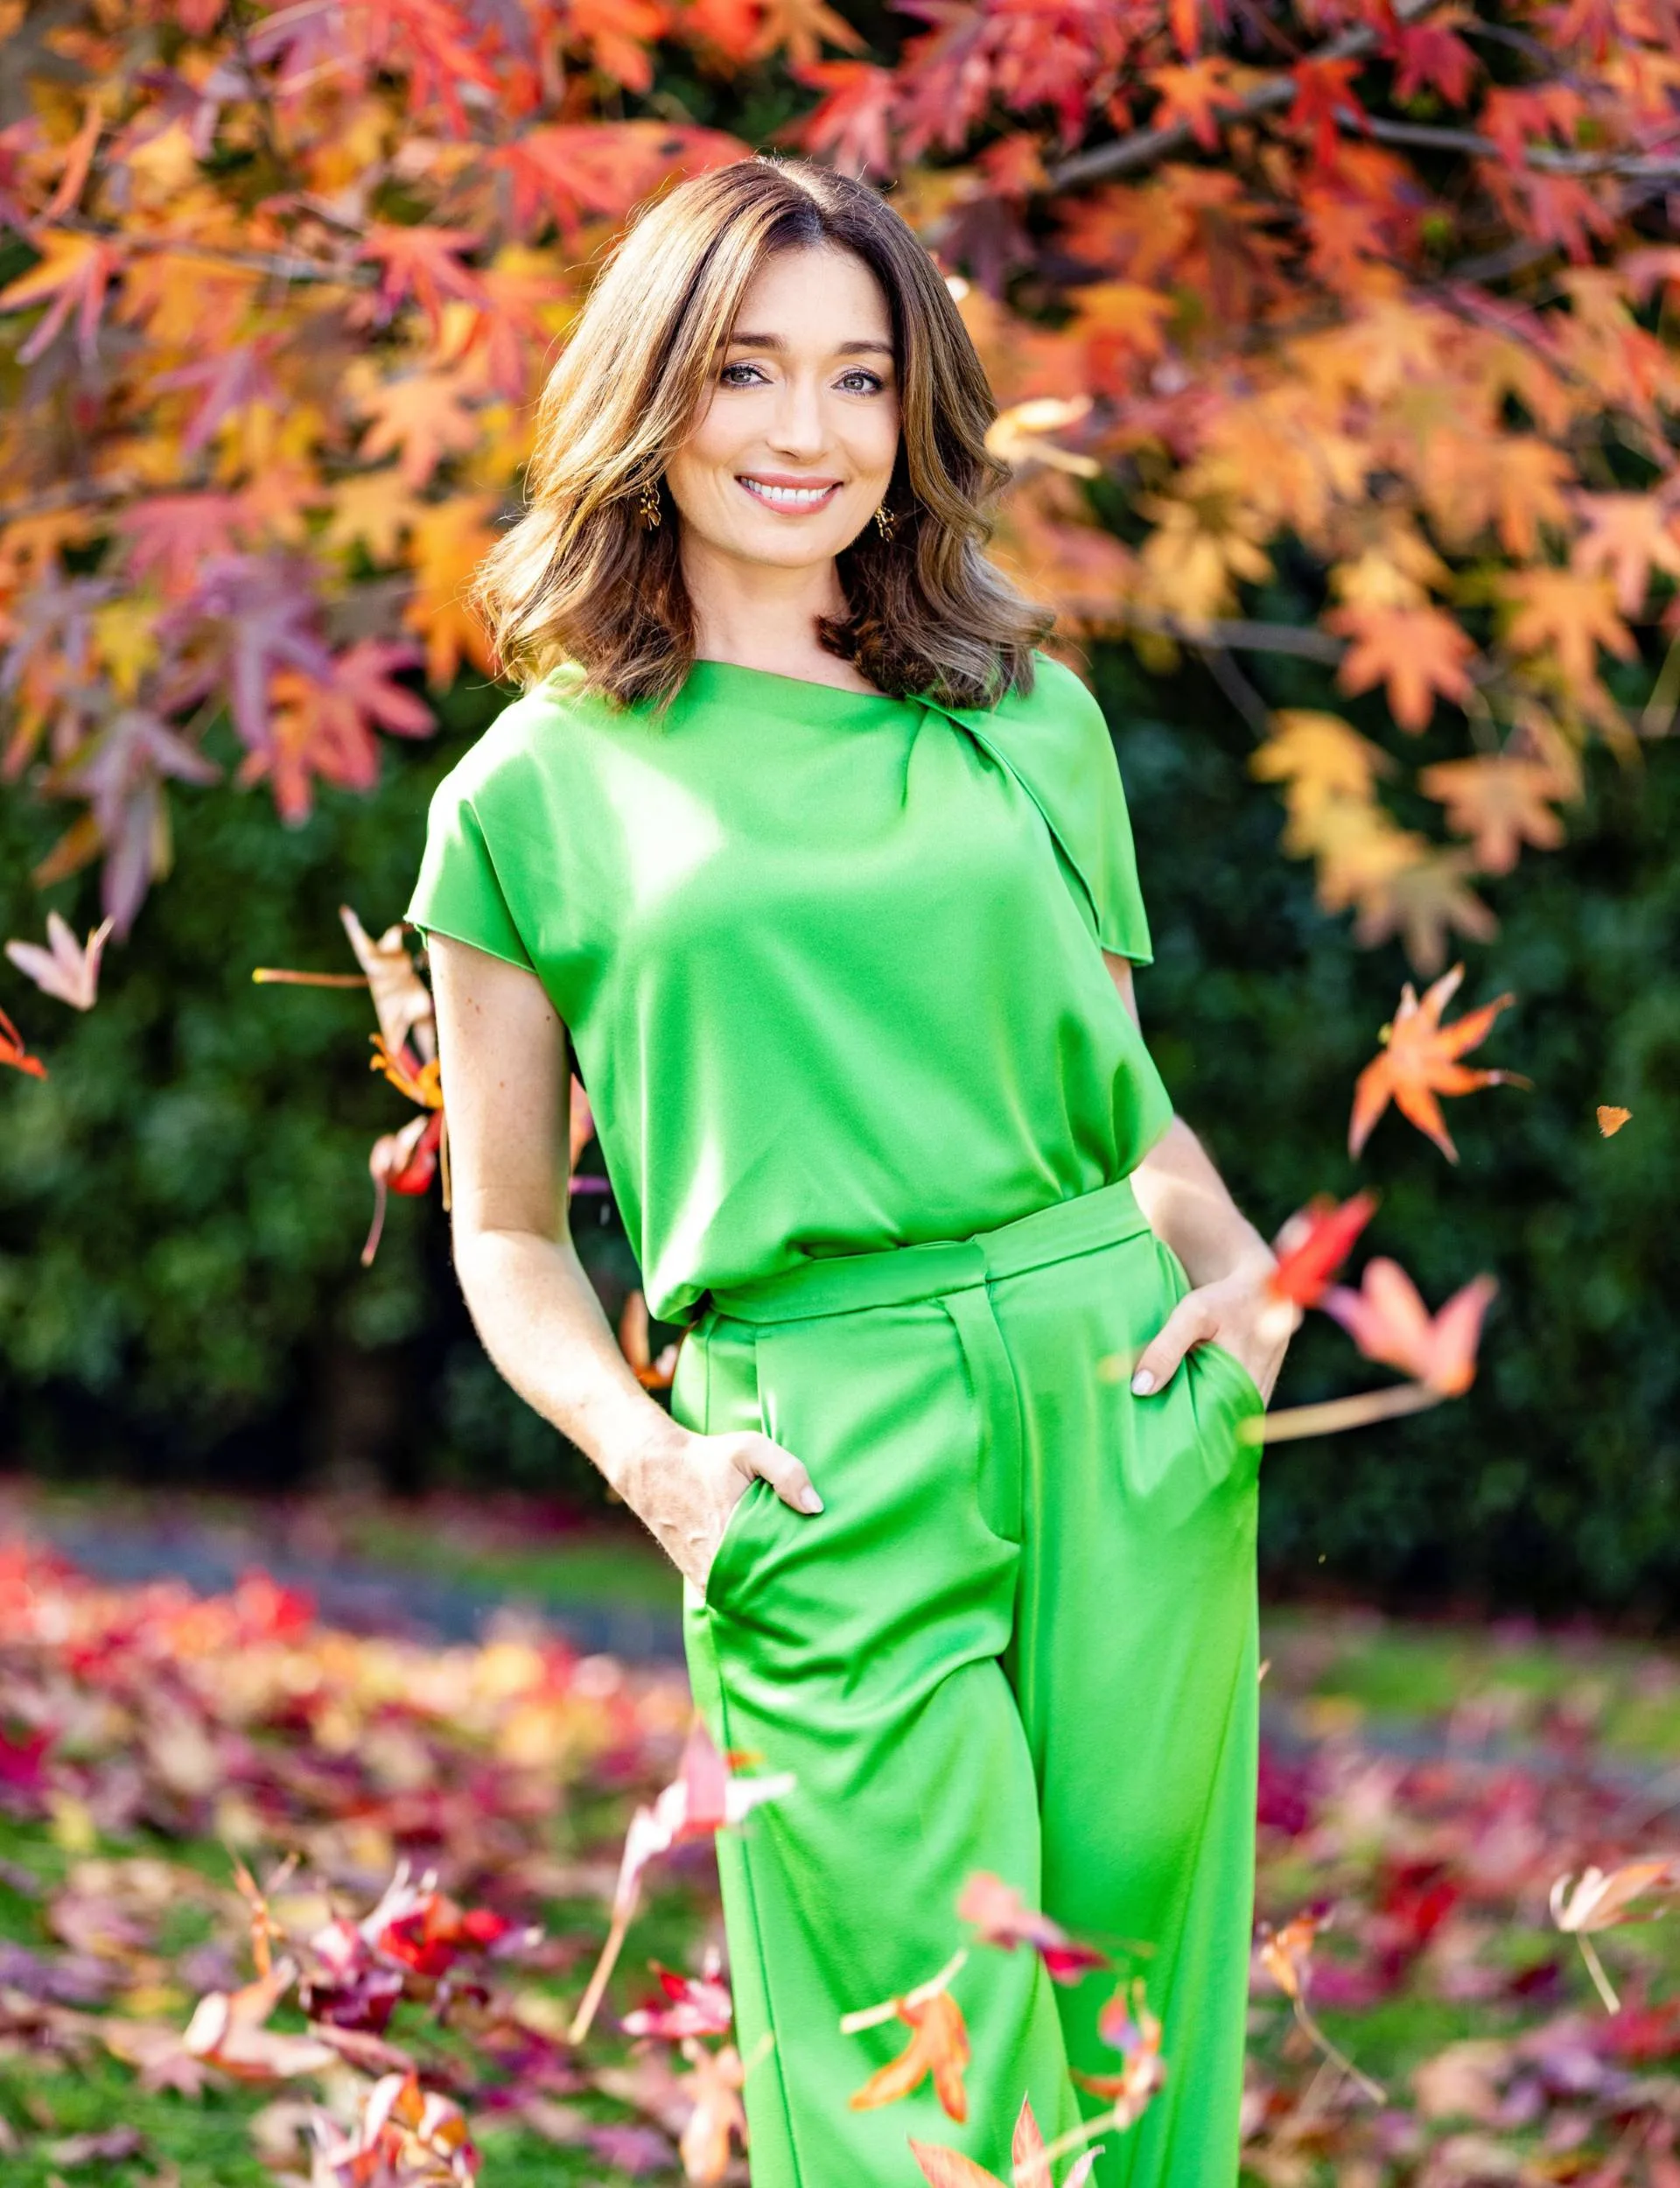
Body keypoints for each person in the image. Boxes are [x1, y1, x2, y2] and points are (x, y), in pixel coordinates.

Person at [402, 153, 1292, 2188]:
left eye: (858, 380)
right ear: (653, 397)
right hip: (813, 1430)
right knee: (912, 2047)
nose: (804, 434)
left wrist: (1242, 1281)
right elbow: (512, 1231)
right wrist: (656, 1462)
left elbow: (1115, 1090)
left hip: (1123, 1384)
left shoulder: (1024, 714)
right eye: (742, 373)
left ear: (914, 415)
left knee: (1133, 2016)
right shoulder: (529, 793)